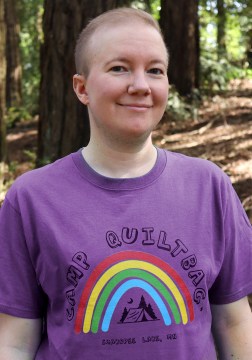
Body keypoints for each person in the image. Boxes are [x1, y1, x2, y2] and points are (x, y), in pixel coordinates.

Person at [0, 7, 251, 360]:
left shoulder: (210, 187)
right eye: (119, 68)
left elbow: (233, 321)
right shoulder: (30, 199)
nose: (140, 85)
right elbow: (14, 340)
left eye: (155, 70)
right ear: (82, 88)